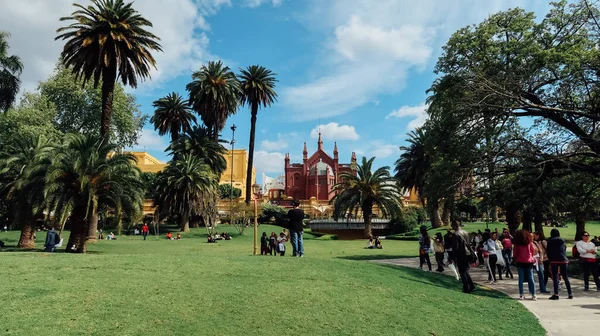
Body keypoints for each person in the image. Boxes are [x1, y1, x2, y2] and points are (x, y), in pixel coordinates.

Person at [546, 229, 573, 300]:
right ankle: (570, 293)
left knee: (555, 277)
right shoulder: (562, 241)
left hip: (554, 260)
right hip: (563, 259)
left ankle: (556, 294)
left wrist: (550, 259)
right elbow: (564, 249)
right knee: (565, 277)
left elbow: (548, 250)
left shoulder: (550, 241)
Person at [451, 221, 476, 293]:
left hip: (461, 254)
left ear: (454, 226)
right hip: (467, 253)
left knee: (462, 272)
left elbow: (455, 247)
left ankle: (466, 288)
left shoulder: (455, 234)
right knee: (465, 271)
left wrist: (453, 256)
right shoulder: (465, 232)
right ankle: (471, 286)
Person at [513, 230, 537, 300]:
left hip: (520, 261)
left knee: (521, 278)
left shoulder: (517, 244)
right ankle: (534, 294)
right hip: (529, 262)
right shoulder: (530, 243)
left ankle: (521, 294)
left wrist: (516, 258)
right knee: (531, 278)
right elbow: (532, 252)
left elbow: (515, 253)